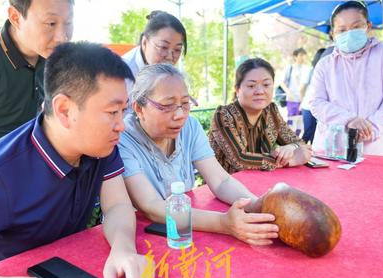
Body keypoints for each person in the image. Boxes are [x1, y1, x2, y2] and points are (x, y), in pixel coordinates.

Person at [0, 42, 153, 278]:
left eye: (123, 111)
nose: (122, 125)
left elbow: (117, 205)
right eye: (112, 112)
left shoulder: (99, 147)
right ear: (64, 110)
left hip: (66, 273)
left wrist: (123, 249)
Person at [118, 63, 279, 246]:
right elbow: (151, 206)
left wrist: (254, 205)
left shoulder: (190, 127)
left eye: (185, 103)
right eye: (168, 105)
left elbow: (221, 181)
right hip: (138, 237)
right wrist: (224, 223)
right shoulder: (123, 139)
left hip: (187, 229)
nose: (180, 115)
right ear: (139, 108)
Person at [0, 0, 74, 165]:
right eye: (51, 23)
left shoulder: (58, 57)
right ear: (15, 17)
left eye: (68, 23)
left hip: (36, 169)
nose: (62, 37)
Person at [310, 0, 383, 156]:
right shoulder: (325, 65)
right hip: (331, 149)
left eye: (356, 27)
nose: (349, 33)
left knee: (373, 180)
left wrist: (371, 128)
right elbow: (316, 102)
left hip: (375, 149)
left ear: (368, 26)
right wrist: (349, 120)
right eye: (342, 30)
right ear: (333, 34)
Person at [208, 58, 311, 174]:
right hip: (224, 187)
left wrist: (291, 148)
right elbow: (239, 160)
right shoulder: (224, 115)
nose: (260, 91)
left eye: (266, 84)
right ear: (237, 89)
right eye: (251, 86)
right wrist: (289, 161)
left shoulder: (271, 111)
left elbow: (301, 145)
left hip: (260, 182)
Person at [122, 10, 187, 111]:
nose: (170, 57)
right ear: (144, 42)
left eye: (177, 50)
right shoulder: (123, 74)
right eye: (163, 47)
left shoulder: (167, 73)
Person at [280, 48, 310, 136]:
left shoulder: (306, 68)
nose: (303, 57)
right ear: (295, 57)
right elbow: (282, 82)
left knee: (300, 122)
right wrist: (289, 93)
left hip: (302, 100)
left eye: (304, 55)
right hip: (292, 99)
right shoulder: (290, 68)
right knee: (292, 122)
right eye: (301, 55)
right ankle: (289, 141)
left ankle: (295, 141)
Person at [300, 48, 327, 144]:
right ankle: (296, 153)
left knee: (314, 135)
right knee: (308, 132)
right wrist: (301, 101)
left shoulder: (327, 71)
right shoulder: (311, 71)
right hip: (308, 107)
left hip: (319, 108)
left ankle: (310, 156)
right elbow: (302, 88)